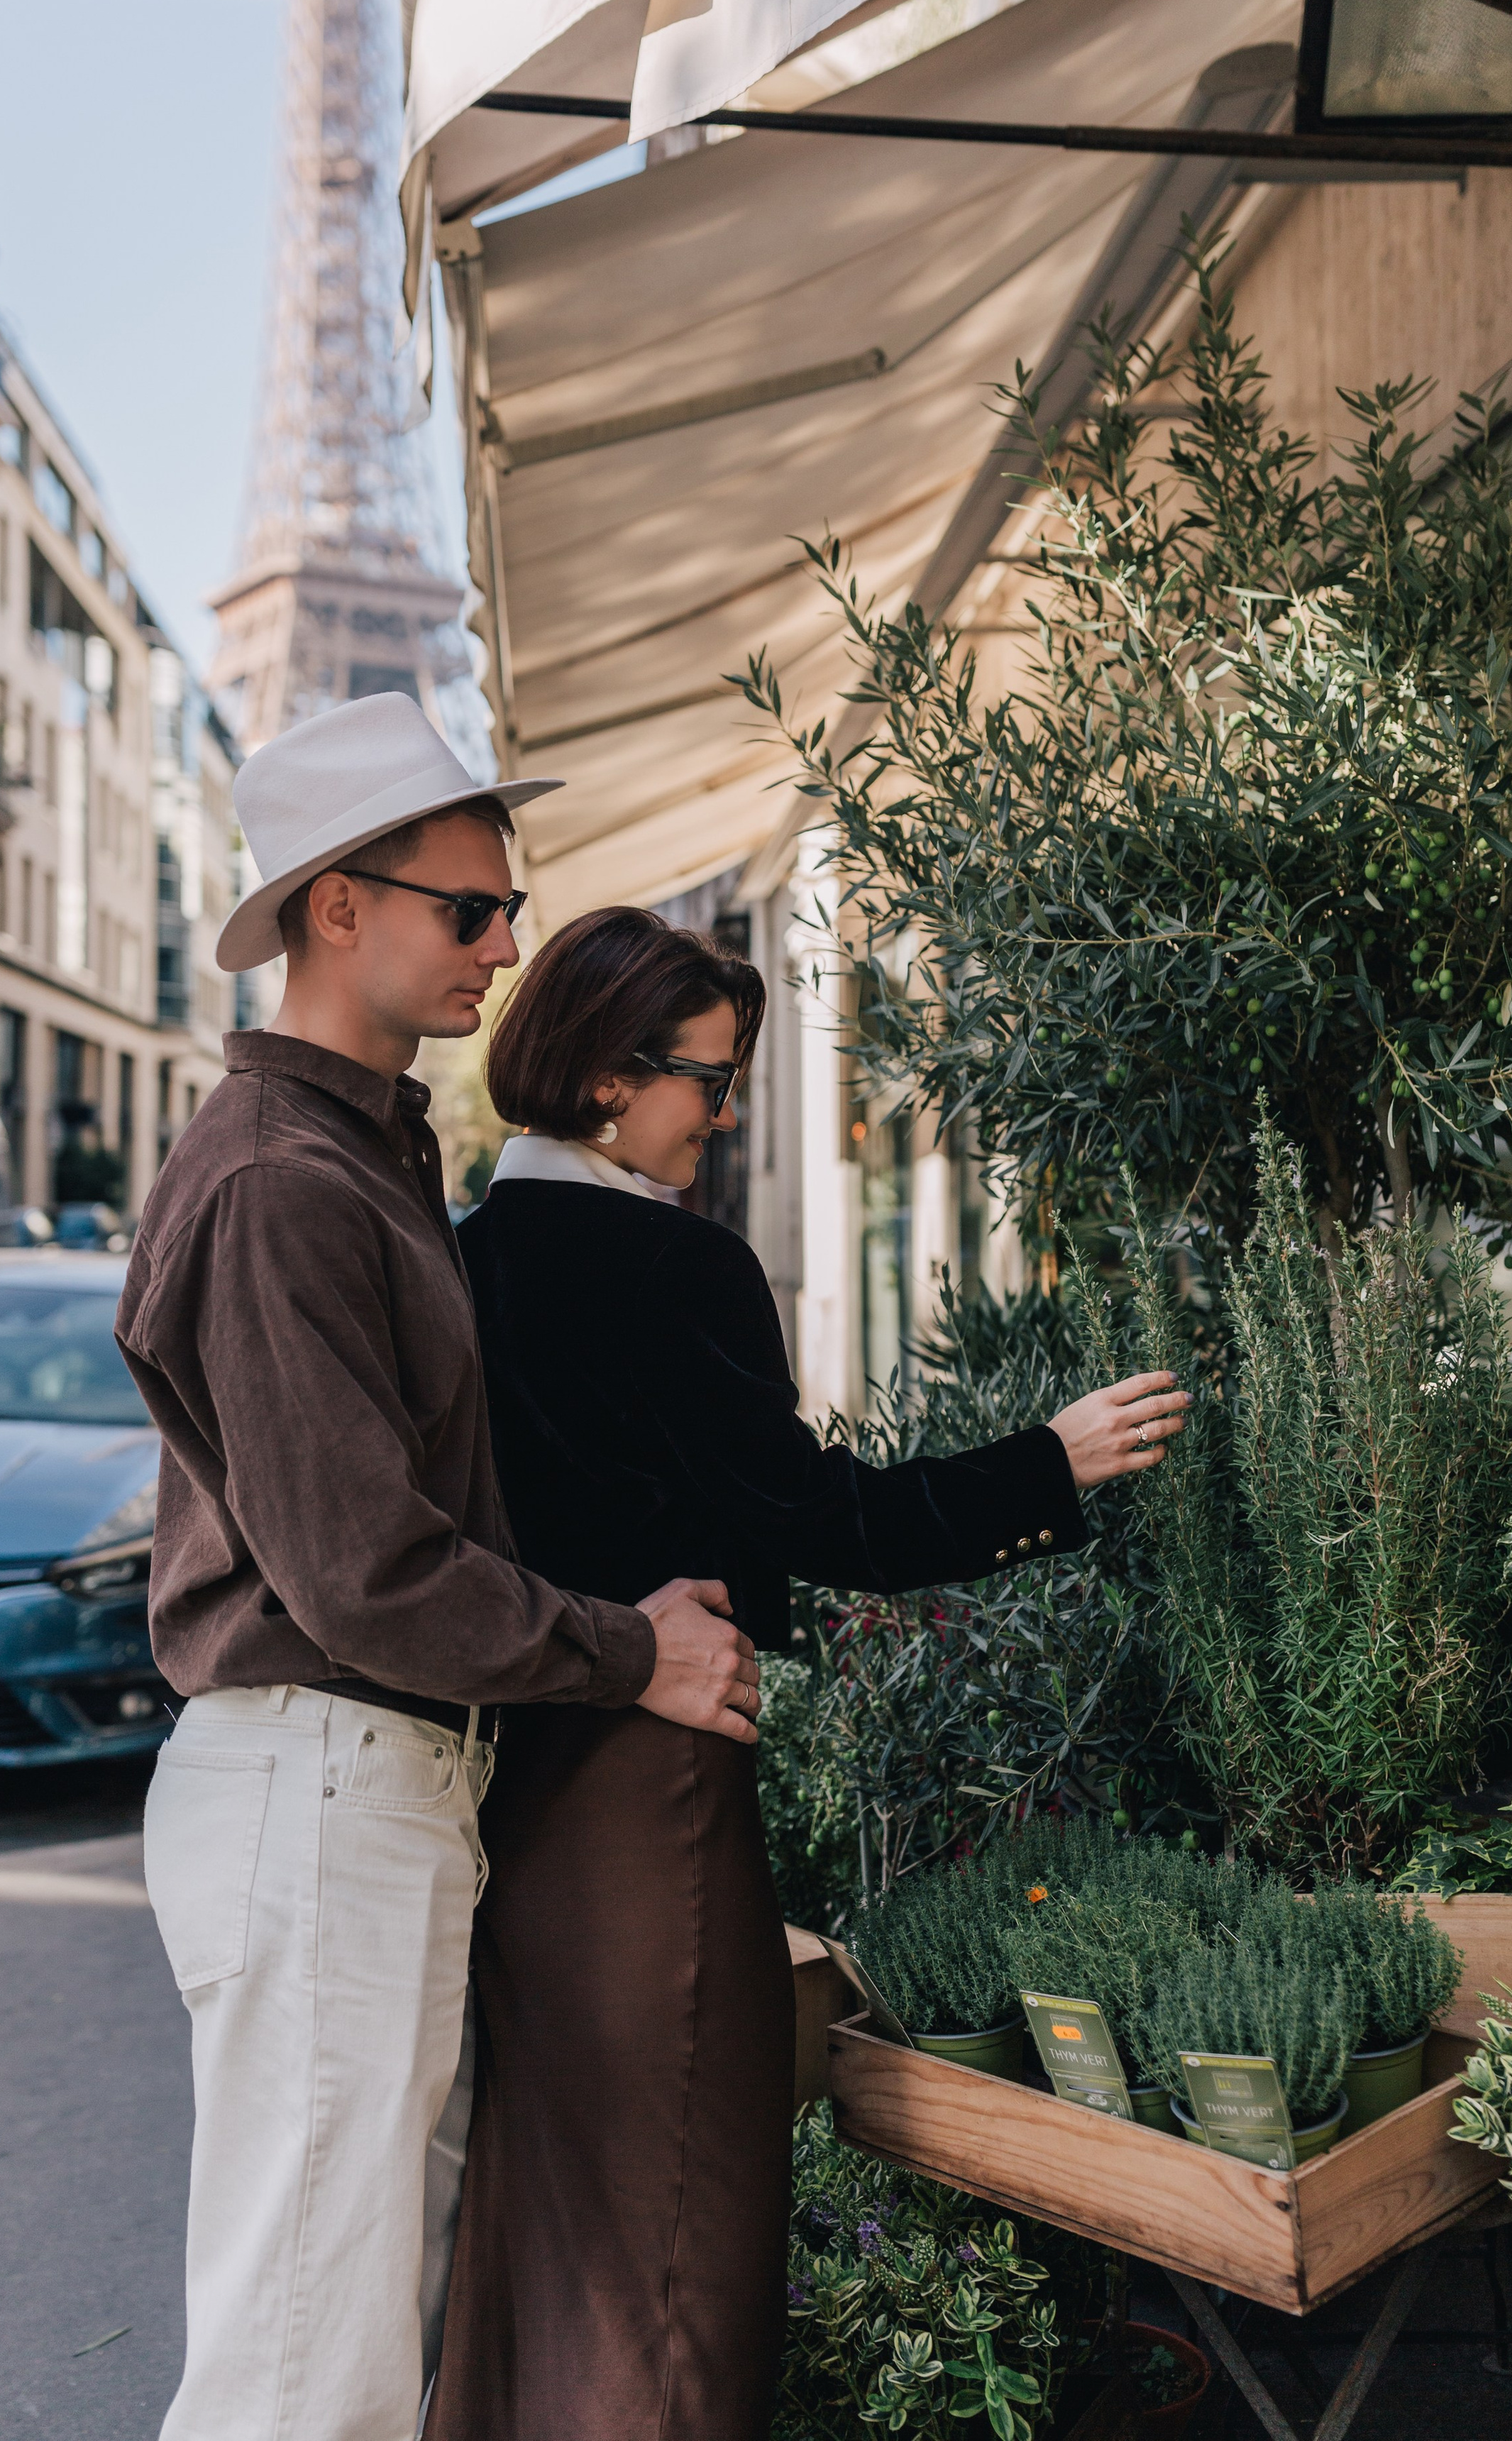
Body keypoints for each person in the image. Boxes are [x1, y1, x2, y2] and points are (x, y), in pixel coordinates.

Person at [426, 905, 1191, 2441]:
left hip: (510, 1777)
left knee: (549, 2201)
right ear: (602, 1080)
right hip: (651, 1785)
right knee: (682, 2209)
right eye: (707, 1084)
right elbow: (822, 1522)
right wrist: (1050, 1462)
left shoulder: (463, 1254)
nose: (719, 1116)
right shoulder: (670, 1266)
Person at [116, 702, 760, 2441]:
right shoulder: (280, 1181)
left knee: (357, 2325)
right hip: (322, 1774)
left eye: (506, 907)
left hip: (368, 1783)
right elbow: (366, 1569)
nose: (505, 944)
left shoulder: (365, 1153)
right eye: (469, 909)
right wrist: (628, 1653)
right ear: (338, 908)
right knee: (300, 2369)